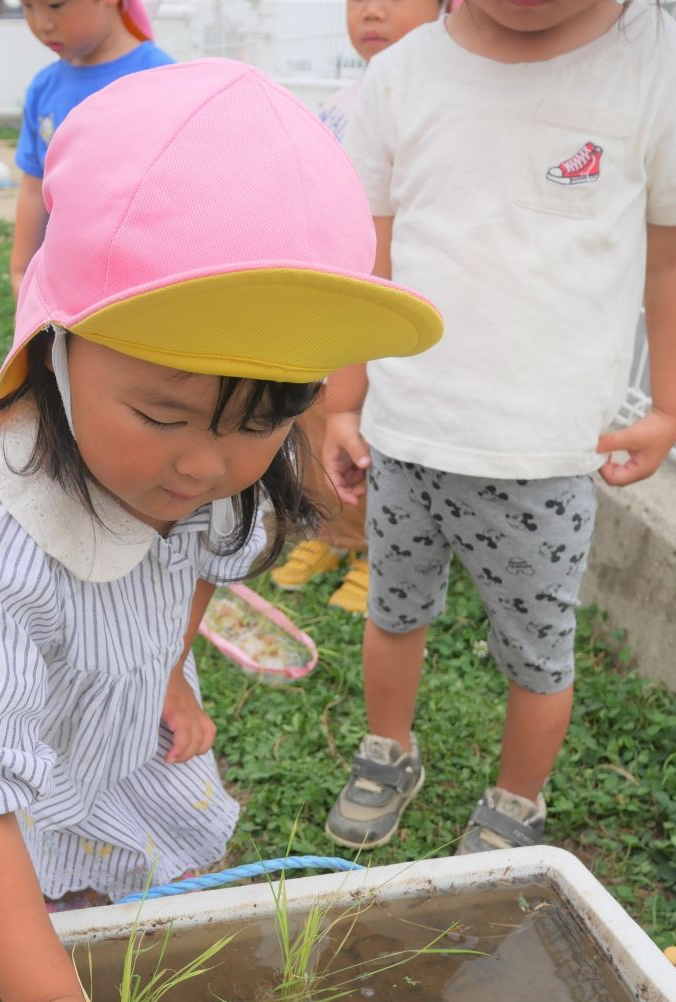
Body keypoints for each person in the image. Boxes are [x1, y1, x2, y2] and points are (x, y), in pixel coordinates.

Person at [0, 60, 441, 1002]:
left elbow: (189, 564)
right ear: (57, 335)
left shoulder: (208, 478)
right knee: (62, 971)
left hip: (135, 759)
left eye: (258, 421)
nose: (204, 463)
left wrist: (171, 673)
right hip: (29, 816)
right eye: (162, 411)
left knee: (154, 962)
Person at [324, 0, 676, 854]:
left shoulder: (665, 66)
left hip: (544, 453)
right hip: (407, 431)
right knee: (393, 612)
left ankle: (516, 799)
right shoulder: (403, 74)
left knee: (539, 651)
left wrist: (674, 404)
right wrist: (341, 400)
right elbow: (368, 256)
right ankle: (388, 751)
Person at [271, 0, 441, 614]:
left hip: (397, 304)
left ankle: (376, 550)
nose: (372, 9)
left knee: (375, 429)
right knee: (319, 419)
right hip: (333, 297)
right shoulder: (340, 103)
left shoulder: (439, 100)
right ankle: (331, 533)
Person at [10, 0, 173, 297]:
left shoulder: (164, 80)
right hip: (65, 289)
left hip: (141, 289)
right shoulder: (43, 87)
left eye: (54, 5)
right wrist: (20, 269)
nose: (41, 23)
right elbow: (34, 186)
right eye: (27, 6)